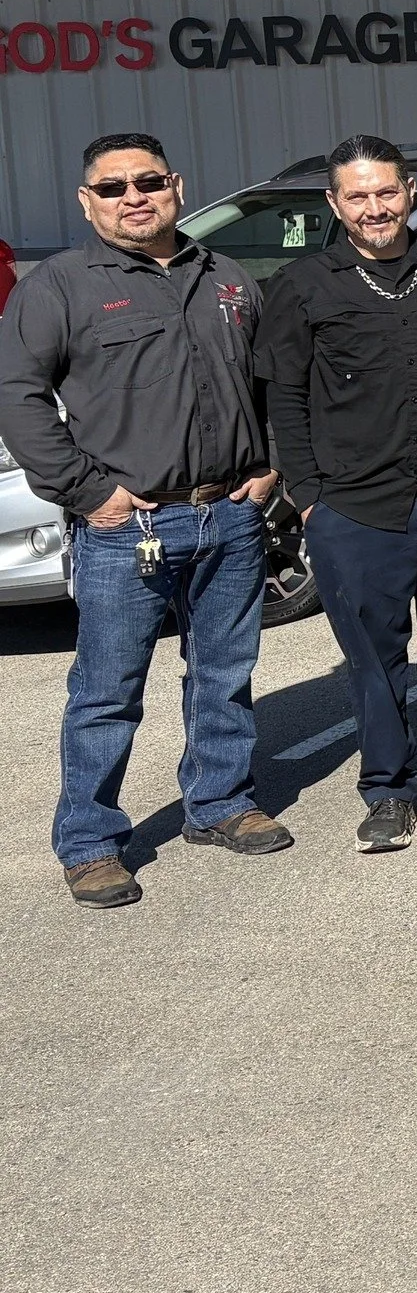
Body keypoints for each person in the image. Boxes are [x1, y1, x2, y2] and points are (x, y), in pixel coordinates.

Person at [0, 133, 288, 908]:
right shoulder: (59, 286)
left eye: (149, 181)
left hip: (227, 516)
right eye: (115, 187)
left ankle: (220, 802)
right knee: (106, 691)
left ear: (178, 186)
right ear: (87, 202)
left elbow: (268, 383)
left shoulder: (226, 278)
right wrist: (85, 491)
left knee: (225, 674)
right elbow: (18, 398)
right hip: (129, 528)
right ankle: (91, 842)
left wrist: (269, 466)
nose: (135, 197)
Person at [257, 134, 417, 855]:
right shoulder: (303, 286)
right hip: (354, 507)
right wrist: (308, 496)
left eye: (387, 192)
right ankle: (390, 788)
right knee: (374, 655)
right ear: (335, 204)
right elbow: (284, 400)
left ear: (408, 192)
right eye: (358, 196)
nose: (376, 208)